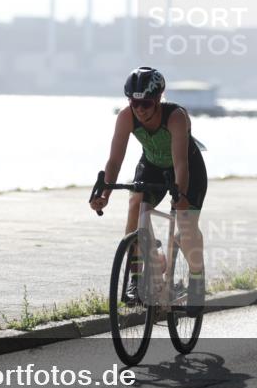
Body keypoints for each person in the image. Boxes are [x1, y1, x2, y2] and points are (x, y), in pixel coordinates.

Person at [89, 66, 207, 315]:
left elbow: (181, 164)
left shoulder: (176, 117)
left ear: (158, 99)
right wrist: (105, 194)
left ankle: (197, 281)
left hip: (187, 168)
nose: (140, 109)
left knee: (185, 226)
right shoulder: (126, 117)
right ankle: (136, 279)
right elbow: (114, 161)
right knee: (135, 204)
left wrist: (181, 197)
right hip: (152, 164)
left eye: (146, 103)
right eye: (135, 102)